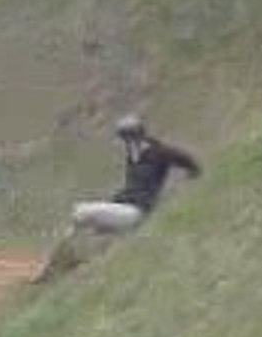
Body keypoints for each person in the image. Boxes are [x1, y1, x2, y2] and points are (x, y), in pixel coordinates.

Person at [33, 114, 202, 284]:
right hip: (126, 208)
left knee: (80, 212)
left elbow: (188, 161)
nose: (125, 142)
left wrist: (190, 178)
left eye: (126, 137)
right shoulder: (134, 155)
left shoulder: (159, 152)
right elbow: (132, 186)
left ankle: (53, 267)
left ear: (135, 136)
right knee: (86, 229)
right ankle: (60, 265)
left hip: (136, 212)